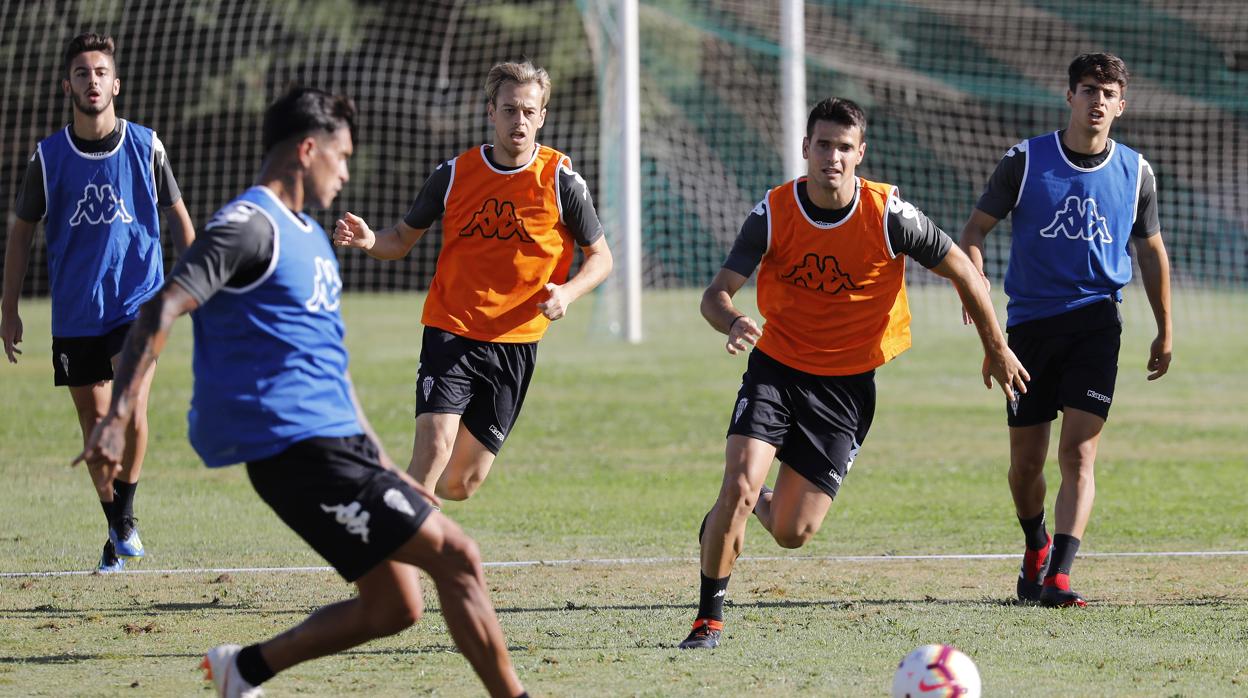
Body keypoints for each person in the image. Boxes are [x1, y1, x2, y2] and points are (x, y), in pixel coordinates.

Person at [75, 87, 527, 698]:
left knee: (395, 606)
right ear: (308, 150)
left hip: (342, 447)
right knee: (459, 557)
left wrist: (379, 457)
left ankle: (244, 669)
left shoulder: (312, 238)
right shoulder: (247, 225)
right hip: (296, 450)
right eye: (342, 157)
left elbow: (331, 368)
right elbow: (161, 308)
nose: (346, 173)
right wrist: (115, 417)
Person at [678, 97, 1029, 650]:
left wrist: (997, 348)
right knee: (737, 486)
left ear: (860, 153)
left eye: (844, 147)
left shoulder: (889, 215)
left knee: (793, 531)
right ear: (806, 148)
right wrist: (733, 320)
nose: (833, 158)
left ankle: (740, 506)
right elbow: (714, 294)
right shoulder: (773, 212)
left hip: (846, 387)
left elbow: (963, 268)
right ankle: (708, 620)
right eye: (823, 145)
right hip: (776, 371)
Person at [333, 60, 612, 501]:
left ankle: (404, 499)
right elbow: (400, 240)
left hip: (515, 342)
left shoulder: (560, 180)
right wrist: (370, 240)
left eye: (528, 111)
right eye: (509, 110)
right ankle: (396, 533)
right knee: (433, 447)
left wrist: (568, 293)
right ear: (491, 112)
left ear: (542, 116)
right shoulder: (453, 174)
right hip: (451, 329)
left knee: (461, 483)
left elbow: (601, 258)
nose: (518, 120)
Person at [958, 53, 1172, 608]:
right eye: (1088, 89)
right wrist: (974, 283)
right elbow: (975, 230)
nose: (1097, 100)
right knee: (1026, 464)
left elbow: (1151, 251)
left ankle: (1059, 574)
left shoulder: (1137, 172)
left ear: (1122, 105)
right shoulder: (1026, 161)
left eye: (1108, 93)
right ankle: (1036, 543)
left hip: (1097, 324)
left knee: (1078, 454)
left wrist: (1164, 328)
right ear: (1069, 95)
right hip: (1029, 326)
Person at [1, 32, 196, 572]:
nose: (92, 80)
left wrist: (197, 283)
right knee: (95, 421)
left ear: (116, 84)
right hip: (76, 310)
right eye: (82, 73)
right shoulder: (48, 157)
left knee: (129, 409)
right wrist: (8, 308)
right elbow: (20, 234)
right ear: (68, 86)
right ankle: (115, 525)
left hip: (139, 302)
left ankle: (125, 515)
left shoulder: (146, 146)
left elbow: (179, 219)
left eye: (101, 72)